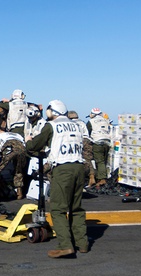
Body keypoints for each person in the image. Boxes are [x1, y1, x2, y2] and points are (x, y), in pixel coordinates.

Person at [26, 100, 88, 258]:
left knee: (58, 209)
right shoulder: (77, 125)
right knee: (76, 208)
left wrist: (28, 141)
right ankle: (82, 244)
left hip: (63, 169)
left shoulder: (51, 126)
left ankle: (66, 245)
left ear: (51, 112)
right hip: (79, 167)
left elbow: (34, 145)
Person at [86, 108, 113, 186]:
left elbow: (87, 132)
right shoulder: (106, 120)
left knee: (99, 161)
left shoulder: (91, 121)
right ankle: (101, 177)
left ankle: (102, 179)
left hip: (97, 142)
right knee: (104, 161)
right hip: (107, 142)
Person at [68, 111, 94, 184]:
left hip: (78, 140)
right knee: (88, 160)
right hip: (87, 140)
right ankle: (91, 177)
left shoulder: (71, 123)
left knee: (78, 159)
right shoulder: (82, 122)